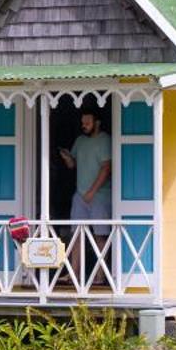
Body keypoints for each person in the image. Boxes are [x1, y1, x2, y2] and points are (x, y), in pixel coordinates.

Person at [58, 108, 112, 282]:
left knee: (100, 235)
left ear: (97, 123)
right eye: (83, 123)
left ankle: (100, 275)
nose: (84, 126)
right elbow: (72, 165)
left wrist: (92, 191)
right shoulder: (80, 141)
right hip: (80, 195)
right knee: (77, 234)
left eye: (88, 123)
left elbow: (106, 168)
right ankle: (74, 274)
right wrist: (67, 157)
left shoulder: (105, 140)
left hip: (100, 195)